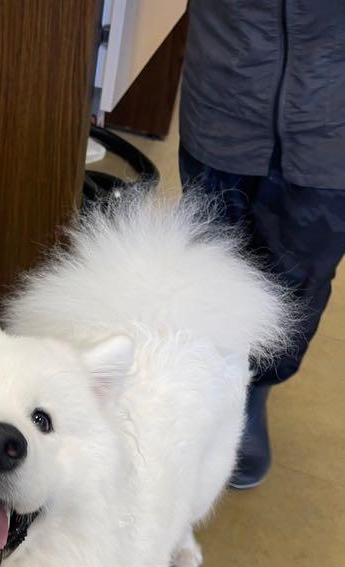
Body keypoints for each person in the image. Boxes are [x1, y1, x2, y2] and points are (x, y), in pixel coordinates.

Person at [179, 0, 345, 488]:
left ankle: (252, 390)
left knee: (301, 277)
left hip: (331, 127)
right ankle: (203, 385)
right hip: (227, 92)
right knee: (210, 261)